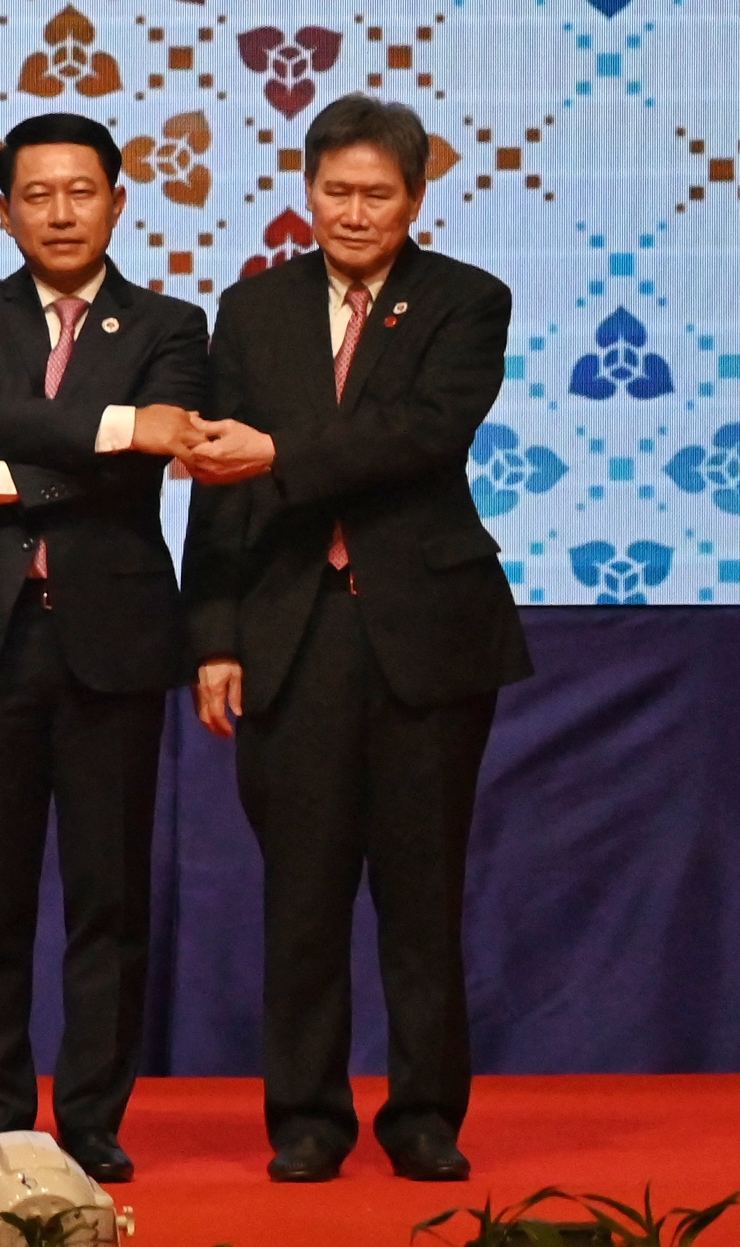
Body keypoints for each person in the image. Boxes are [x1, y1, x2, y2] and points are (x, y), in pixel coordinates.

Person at [188, 91, 533, 1186]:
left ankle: (423, 1116)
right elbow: (215, 484)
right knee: (300, 894)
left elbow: (420, 435)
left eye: (375, 194)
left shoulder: (467, 300)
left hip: (426, 632)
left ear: (415, 198)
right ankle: (306, 1119)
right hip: (289, 629)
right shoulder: (252, 310)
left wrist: (277, 453)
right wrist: (214, 635)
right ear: (305, 191)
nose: (351, 211)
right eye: (334, 190)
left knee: (421, 894)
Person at [0, 112, 249, 1185]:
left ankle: (93, 1118)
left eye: (80, 191)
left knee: (109, 895)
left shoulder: (172, 323)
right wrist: (119, 425)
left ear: (117, 200)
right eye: (36, 195)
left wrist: (2, 481)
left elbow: (141, 466)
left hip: (115, 635)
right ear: (3, 210)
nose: (60, 213)